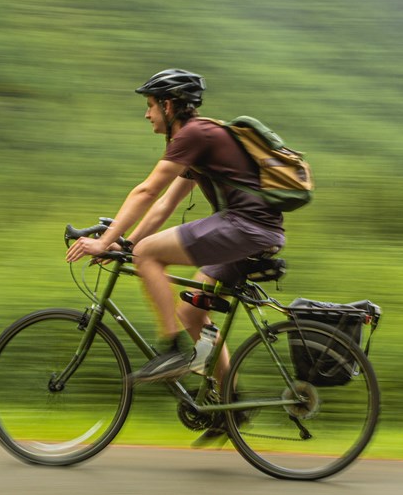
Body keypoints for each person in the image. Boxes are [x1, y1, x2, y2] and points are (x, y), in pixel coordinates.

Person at [65, 68, 285, 392]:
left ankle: (171, 351)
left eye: (150, 105)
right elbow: (164, 205)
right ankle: (230, 407)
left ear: (169, 106)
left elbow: (146, 192)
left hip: (245, 226)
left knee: (149, 254)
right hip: (254, 231)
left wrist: (104, 244)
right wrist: (125, 244)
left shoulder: (194, 135)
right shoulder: (201, 139)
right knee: (192, 314)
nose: (146, 114)